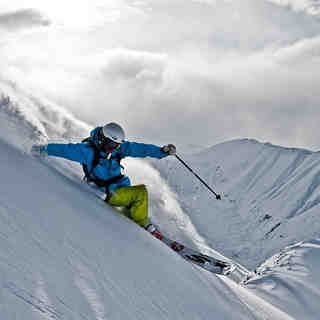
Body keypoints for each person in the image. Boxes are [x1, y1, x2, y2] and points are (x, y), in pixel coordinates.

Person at [31, 122, 176, 238]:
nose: (113, 149)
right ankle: (143, 223)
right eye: (111, 145)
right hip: (107, 192)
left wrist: (162, 151)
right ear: (102, 140)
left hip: (119, 188)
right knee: (141, 192)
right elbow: (64, 150)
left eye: (117, 146)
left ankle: (134, 211)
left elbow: (140, 149)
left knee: (133, 193)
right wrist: (42, 149)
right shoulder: (87, 151)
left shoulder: (117, 149)